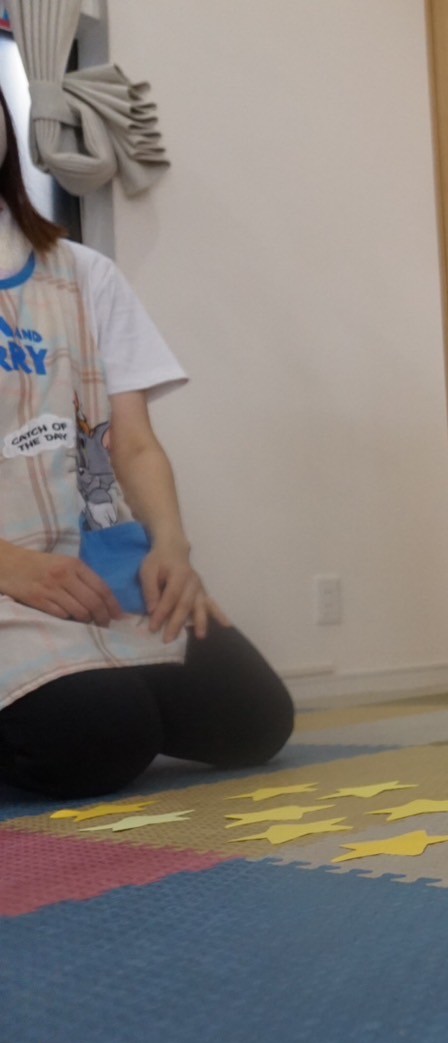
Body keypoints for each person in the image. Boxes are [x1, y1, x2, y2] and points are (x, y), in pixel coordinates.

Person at [0, 86, 293, 799]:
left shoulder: (82, 273)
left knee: (253, 722)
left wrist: (171, 547)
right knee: (100, 738)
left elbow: (132, 443)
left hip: (98, 569)